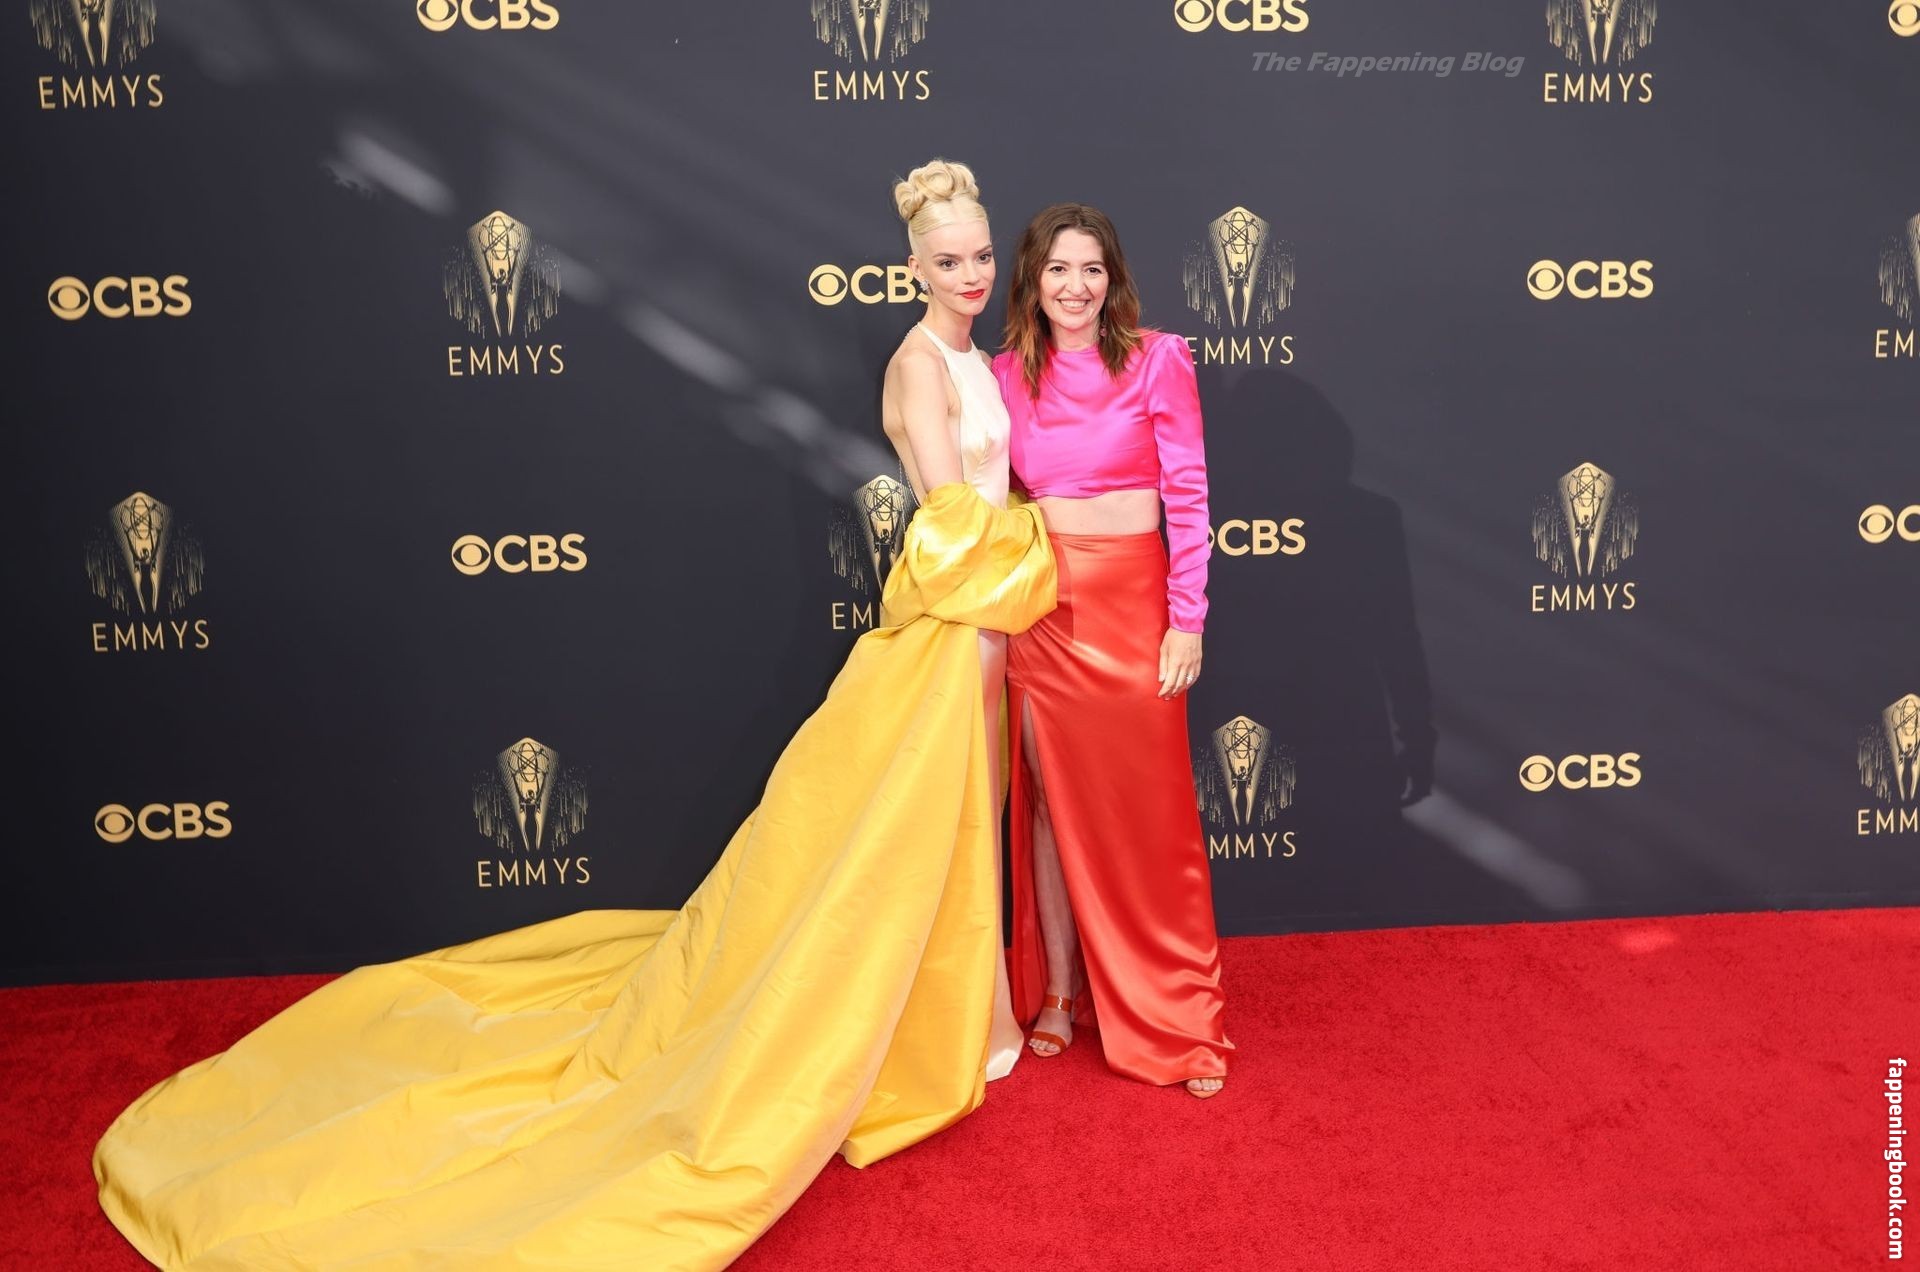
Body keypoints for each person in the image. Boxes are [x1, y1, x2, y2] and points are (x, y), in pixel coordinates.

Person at [91, 160, 1054, 1271]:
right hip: (948, 629)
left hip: (985, 625)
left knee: (964, 826)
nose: (971, 275)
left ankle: (972, 1018)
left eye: (982, 256)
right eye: (948, 260)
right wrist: (1047, 556)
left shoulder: (980, 360)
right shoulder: (917, 366)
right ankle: (918, 1034)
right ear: (911, 268)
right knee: (916, 837)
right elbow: (946, 528)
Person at [991, 203, 1233, 1100]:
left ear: (1113, 278)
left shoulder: (1157, 358)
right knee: (1049, 807)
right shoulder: (1004, 374)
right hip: (1044, 612)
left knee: (1154, 814)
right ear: (1033, 279)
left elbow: (1189, 491)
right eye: (1058, 268)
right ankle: (1060, 988)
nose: (1075, 286)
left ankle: (1179, 1015)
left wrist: (1186, 618)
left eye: (1091, 268)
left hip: (1135, 607)